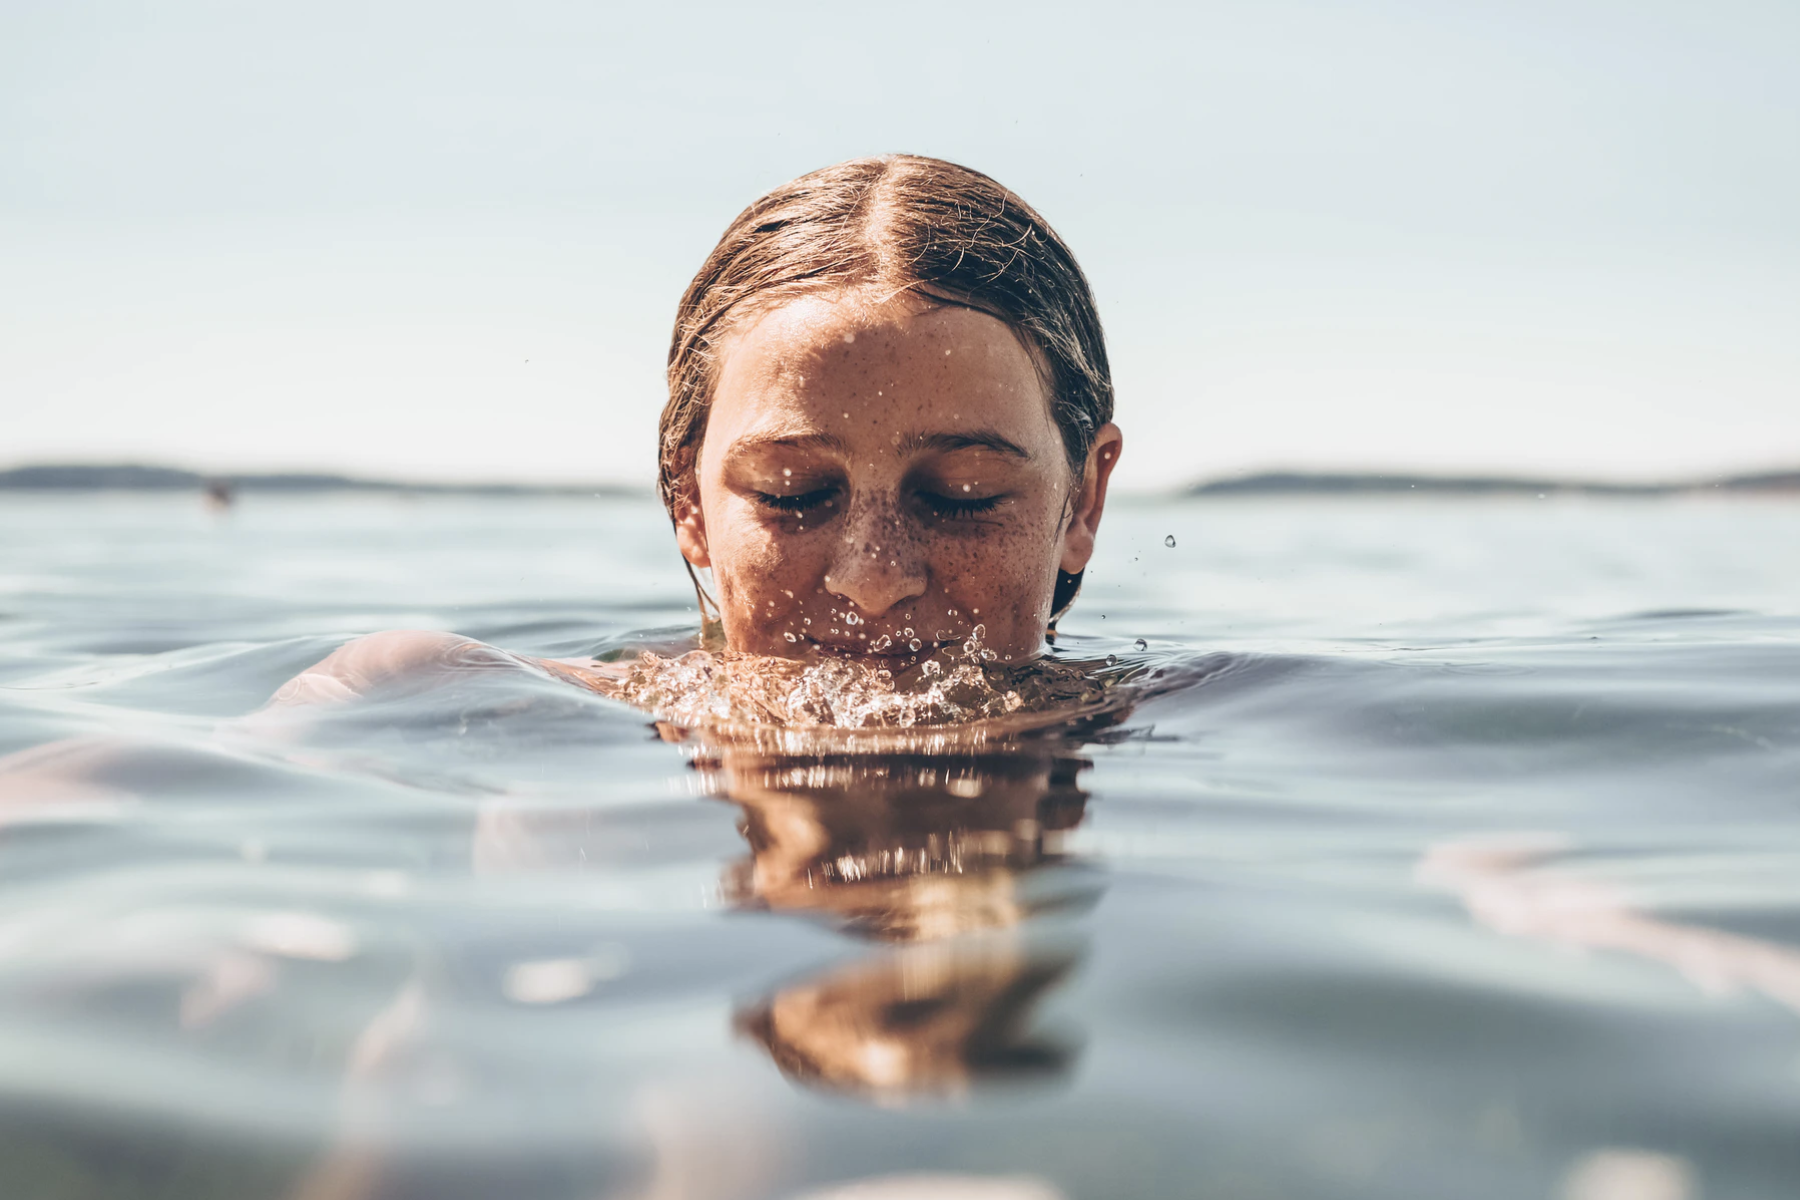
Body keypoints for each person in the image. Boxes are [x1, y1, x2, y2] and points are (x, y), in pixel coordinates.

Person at [264, 154, 1125, 712]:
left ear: (1082, 501)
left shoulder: (1199, 720)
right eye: (795, 494)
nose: (873, 577)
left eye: (960, 494)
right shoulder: (447, 699)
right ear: (689, 503)